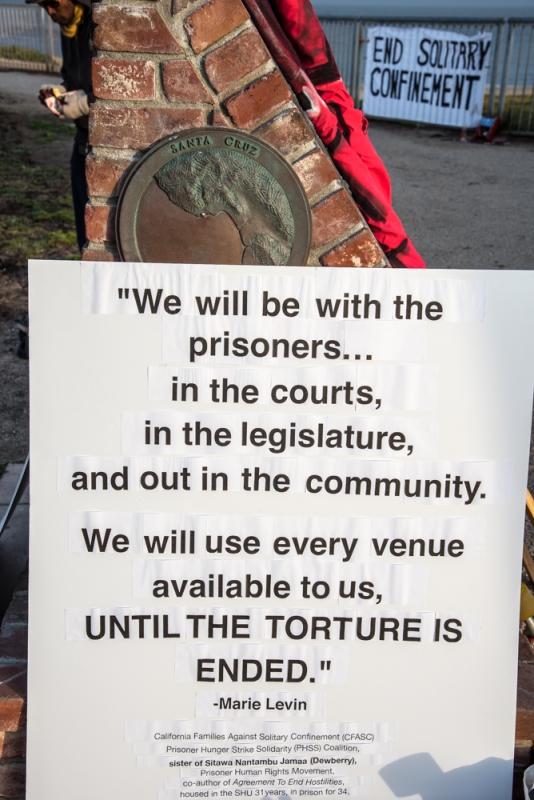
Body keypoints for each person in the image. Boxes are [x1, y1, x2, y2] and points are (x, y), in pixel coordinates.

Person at [27, 0, 94, 251]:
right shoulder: (69, 28)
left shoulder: (98, 25)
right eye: (44, 6)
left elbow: (118, 86)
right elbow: (70, 77)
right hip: (82, 139)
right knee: (84, 233)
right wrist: (59, 92)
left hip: (104, 139)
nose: (50, 11)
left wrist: (86, 102)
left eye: (54, 3)